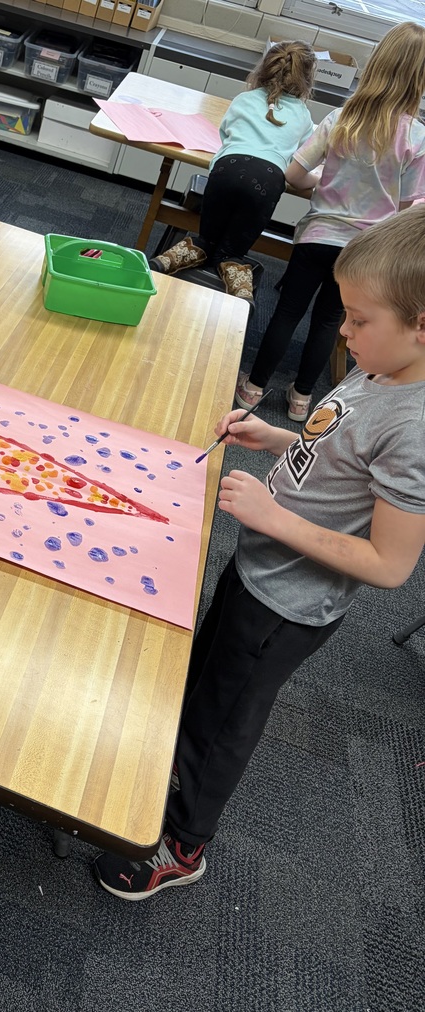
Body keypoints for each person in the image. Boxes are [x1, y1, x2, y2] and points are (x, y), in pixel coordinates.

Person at [95, 203, 425, 901]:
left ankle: (182, 844)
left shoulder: (416, 430)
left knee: (222, 723)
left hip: (287, 606)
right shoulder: (381, 366)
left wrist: (273, 517)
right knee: (200, 685)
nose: (342, 332)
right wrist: (274, 437)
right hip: (258, 568)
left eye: (358, 320)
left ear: (421, 327)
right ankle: (162, 775)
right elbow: (334, 448)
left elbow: (390, 566)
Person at [235, 21, 425, 422]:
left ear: (375, 64)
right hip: (364, 252)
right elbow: (407, 209)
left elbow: (294, 175)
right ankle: (302, 398)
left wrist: (321, 183)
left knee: (288, 311)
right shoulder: (417, 138)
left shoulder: (341, 118)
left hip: (317, 235)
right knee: (330, 321)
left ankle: (253, 387)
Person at [149, 39, 316, 302]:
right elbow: (302, 154)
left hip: (226, 170)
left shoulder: (244, 99)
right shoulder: (304, 116)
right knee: (232, 252)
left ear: (264, 68)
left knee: (207, 238)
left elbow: (225, 131)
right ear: (306, 79)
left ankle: (169, 259)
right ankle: (239, 290)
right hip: (267, 181)